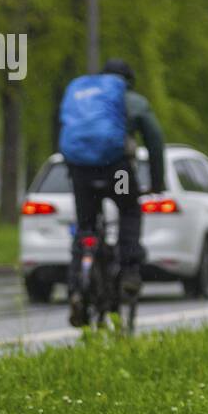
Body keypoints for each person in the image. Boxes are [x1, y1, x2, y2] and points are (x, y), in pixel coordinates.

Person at [59, 58, 166, 327]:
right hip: (115, 172)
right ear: (128, 81)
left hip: (81, 170)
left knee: (85, 228)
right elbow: (154, 139)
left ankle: (75, 288)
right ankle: (129, 272)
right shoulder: (133, 100)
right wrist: (157, 182)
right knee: (129, 209)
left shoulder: (84, 97)